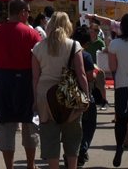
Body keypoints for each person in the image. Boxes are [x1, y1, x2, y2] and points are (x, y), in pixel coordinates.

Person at [0, 0, 42, 169]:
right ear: (22, 12)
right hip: (26, 80)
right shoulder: (32, 33)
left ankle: (10, 166)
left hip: (4, 79)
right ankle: (30, 165)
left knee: (6, 125)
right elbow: (38, 60)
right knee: (29, 124)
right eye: (28, 12)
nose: (29, 15)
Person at [31, 12, 88, 169]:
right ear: (68, 25)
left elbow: (35, 77)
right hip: (69, 95)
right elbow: (81, 73)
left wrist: (35, 100)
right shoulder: (74, 45)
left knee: (49, 136)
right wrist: (86, 96)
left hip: (45, 96)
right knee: (73, 136)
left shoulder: (38, 47)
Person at [107, 13, 128, 167]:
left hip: (122, 85)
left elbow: (113, 67)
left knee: (121, 119)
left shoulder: (115, 44)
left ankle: (119, 146)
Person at [72, 25, 98, 167]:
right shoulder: (85, 55)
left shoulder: (66, 52)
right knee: (89, 124)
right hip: (82, 93)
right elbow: (88, 76)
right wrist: (95, 73)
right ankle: (82, 148)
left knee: (71, 126)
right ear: (86, 43)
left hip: (66, 93)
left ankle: (70, 152)